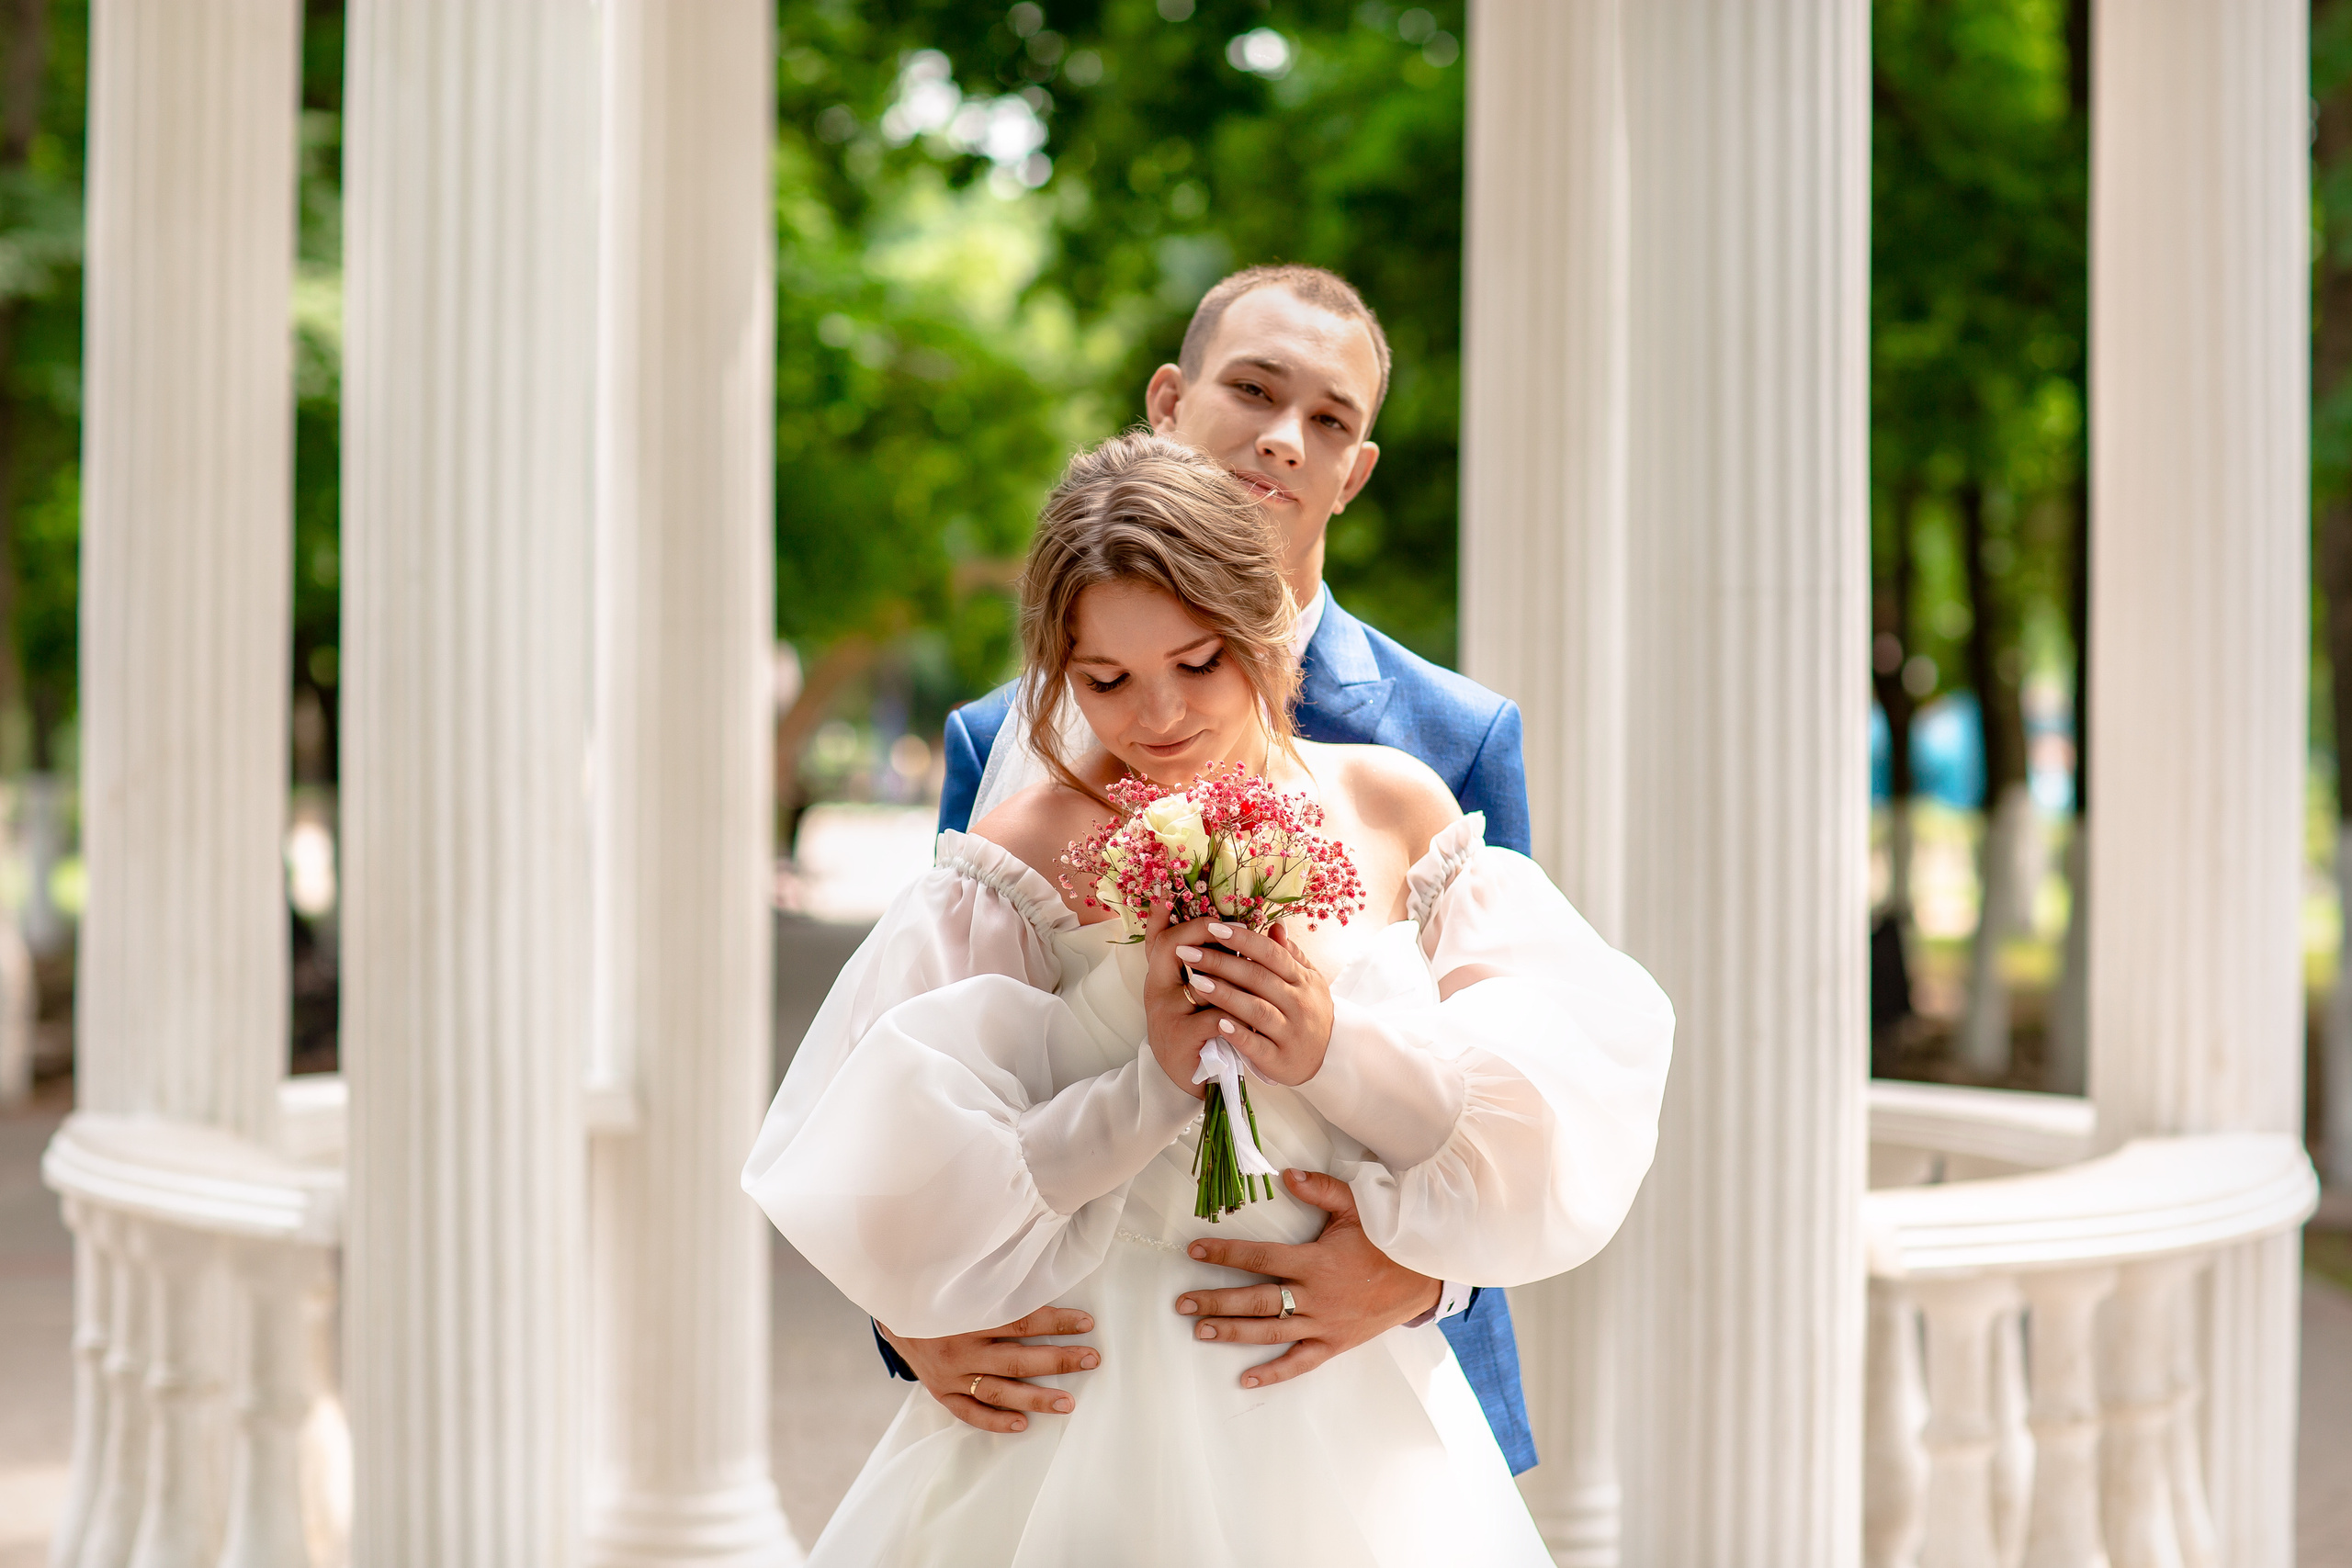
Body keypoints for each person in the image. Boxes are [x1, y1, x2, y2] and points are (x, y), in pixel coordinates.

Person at [743, 433, 1672, 1564]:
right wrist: (1147, 1087)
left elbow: (1543, 1115)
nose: (1159, 717)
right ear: (1057, 673)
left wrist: (1325, 1045)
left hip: (1351, 1428)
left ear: (1268, 633)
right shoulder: (1010, 863)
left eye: (1198, 663)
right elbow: (893, 1169)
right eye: (1105, 681)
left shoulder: (1395, 812)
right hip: (1083, 1408)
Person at [912, 265, 1544, 1469]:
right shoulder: (998, 745)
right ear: (1168, 399)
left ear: (1356, 471)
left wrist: (1423, 1274)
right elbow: (934, 1062)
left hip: (1367, 1409)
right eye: (1253, 389)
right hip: (1089, 1392)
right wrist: (917, 1313)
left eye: (1330, 419)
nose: (1283, 439)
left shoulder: (1452, 740)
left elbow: (1511, 1060)